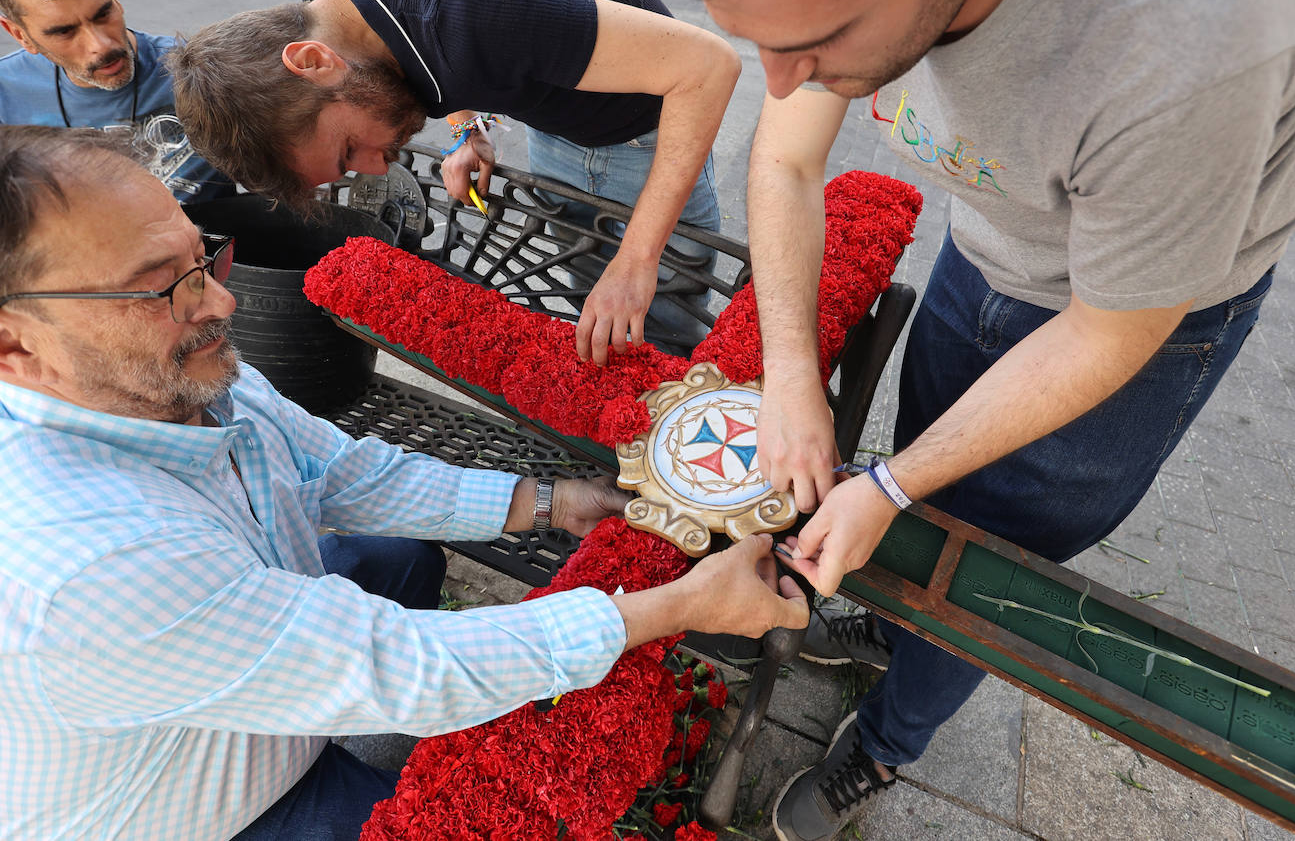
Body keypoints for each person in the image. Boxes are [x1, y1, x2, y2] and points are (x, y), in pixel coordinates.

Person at [651, 0, 1295, 838]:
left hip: (1144, 321)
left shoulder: (1192, 29)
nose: (779, 81)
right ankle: (892, 630)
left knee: (988, 562)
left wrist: (891, 482)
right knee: (924, 512)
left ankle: (890, 743)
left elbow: (1106, 336)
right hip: (985, 249)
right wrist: (788, 375)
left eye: (817, 41)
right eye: (759, 43)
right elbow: (783, 156)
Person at [0, 124, 808, 841]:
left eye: (202, 256)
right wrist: (683, 606)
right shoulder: (91, 566)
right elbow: (403, 665)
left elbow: (341, 469)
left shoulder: (166, 378)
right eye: (160, 286)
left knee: (403, 560)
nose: (221, 298)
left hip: (233, 658)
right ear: (17, 346)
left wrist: (553, 501)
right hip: (181, 809)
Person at [166, 0, 741, 364]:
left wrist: (637, 260)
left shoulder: (479, 2)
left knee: (650, 333)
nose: (372, 167)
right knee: (598, 310)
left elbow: (709, 68)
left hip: (644, 134)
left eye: (348, 151)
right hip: (560, 116)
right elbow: (417, 42)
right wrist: (467, 125)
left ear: (315, 62)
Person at [0, 0, 234, 204]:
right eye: (64, 32)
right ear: (20, 35)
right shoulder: (5, 97)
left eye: (102, 13)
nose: (101, 45)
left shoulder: (202, 71)